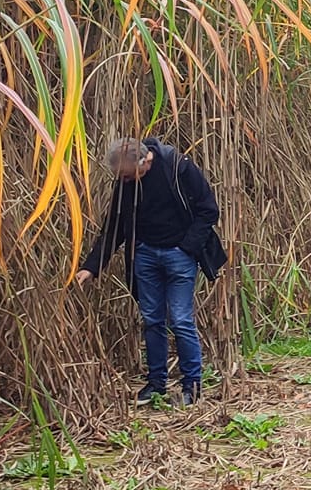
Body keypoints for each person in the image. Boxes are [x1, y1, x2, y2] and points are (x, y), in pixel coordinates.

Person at [76, 137, 226, 407]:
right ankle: (156, 384)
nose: (125, 180)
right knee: (152, 319)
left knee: (180, 320)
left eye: (128, 174)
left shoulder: (177, 166)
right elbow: (115, 226)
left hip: (179, 255)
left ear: (144, 161)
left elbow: (208, 210)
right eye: (121, 176)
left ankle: (192, 386)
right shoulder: (126, 181)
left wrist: (187, 248)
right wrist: (91, 267)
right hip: (145, 255)